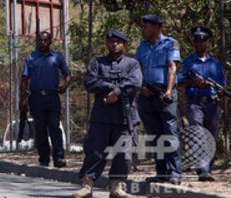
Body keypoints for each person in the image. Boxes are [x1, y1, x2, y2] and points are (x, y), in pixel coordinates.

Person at [73, 30, 142, 198]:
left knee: (123, 153)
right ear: (106, 44)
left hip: (124, 116)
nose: (115, 44)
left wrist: (117, 93)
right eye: (111, 41)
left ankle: (117, 187)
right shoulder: (97, 63)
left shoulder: (132, 64)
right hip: (101, 116)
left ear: (125, 44)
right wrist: (111, 88)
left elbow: (135, 83)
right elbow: (90, 82)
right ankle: (87, 185)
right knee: (95, 151)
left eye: (119, 41)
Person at [135, 14, 182, 185]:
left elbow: (172, 67)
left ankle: (175, 173)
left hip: (164, 93)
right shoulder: (143, 46)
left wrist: (168, 92)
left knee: (169, 133)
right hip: (146, 94)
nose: (142, 30)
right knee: (154, 135)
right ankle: (161, 172)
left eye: (145, 26)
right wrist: (140, 87)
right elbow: (135, 68)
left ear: (155, 28)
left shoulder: (170, 43)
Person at [177, 26, 225, 182]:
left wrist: (221, 96)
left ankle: (207, 169)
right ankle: (202, 169)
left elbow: (221, 85)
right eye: (197, 41)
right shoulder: (188, 62)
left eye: (203, 40)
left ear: (207, 42)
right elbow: (179, 81)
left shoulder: (215, 63)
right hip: (195, 103)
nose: (199, 43)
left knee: (211, 135)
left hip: (212, 103)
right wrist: (194, 81)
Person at [20, 31, 71, 168]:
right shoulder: (31, 57)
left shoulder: (57, 57)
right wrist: (22, 99)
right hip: (36, 97)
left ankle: (59, 156)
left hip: (52, 97)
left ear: (50, 41)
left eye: (45, 40)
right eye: (40, 40)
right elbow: (24, 79)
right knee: (40, 129)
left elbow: (67, 73)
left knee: (54, 127)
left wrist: (65, 86)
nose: (42, 43)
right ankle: (43, 158)